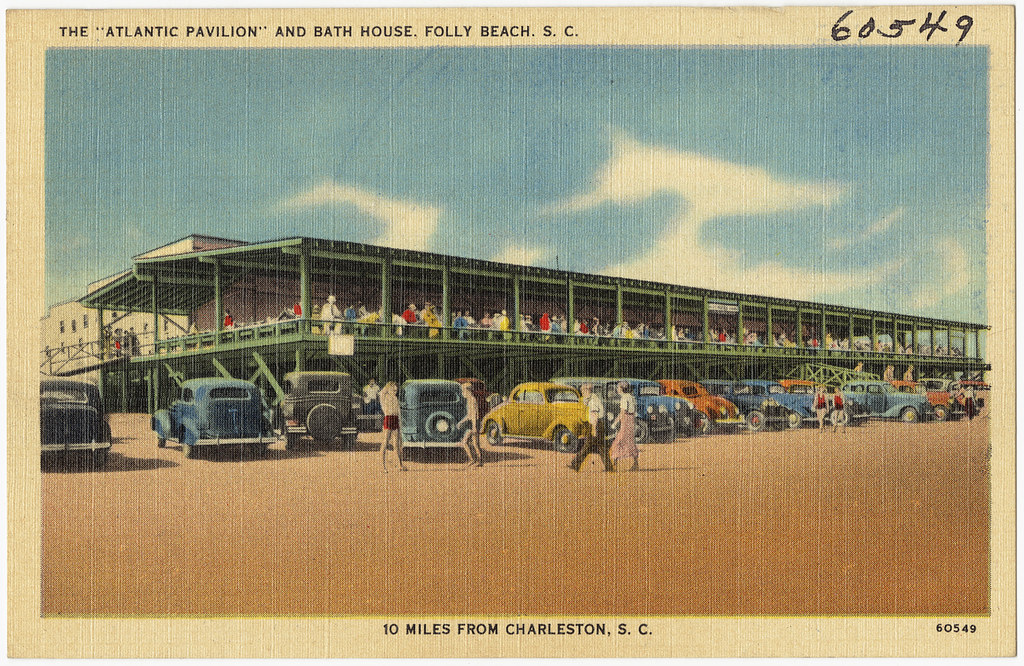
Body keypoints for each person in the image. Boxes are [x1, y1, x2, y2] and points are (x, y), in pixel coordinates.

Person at [568, 384, 613, 472]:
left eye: (582, 391)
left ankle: (575, 464)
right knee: (601, 447)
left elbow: (594, 415)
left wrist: (593, 429)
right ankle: (609, 467)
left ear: (586, 390)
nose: (582, 393)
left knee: (587, 446)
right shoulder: (593, 398)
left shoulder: (593, 401)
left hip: (595, 425)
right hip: (598, 425)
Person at [609, 381, 640, 471]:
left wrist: (615, 422)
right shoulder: (631, 396)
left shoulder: (624, 398)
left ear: (622, 389)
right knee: (630, 441)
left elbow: (623, 412)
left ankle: (614, 464)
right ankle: (635, 464)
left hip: (626, 420)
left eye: (618, 387)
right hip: (631, 419)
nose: (617, 389)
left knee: (618, 441)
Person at [379, 382, 407, 472]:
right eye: (393, 390)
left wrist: (400, 424)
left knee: (397, 444)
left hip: (395, 419)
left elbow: (398, 411)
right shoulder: (385, 396)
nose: (395, 392)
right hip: (388, 418)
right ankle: (383, 466)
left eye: (396, 390)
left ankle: (400, 465)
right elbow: (381, 392)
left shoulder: (395, 398)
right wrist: (388, 386)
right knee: (385, 442)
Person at [456, 383, 484, 467]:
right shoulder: (469, 400)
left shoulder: (472, 400)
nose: (462, 393)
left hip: (474, 423)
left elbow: (475, 415)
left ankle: (477, 460)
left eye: (463, 391)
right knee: (471, 443)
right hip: (473, 423)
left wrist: (474, 427)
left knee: (471, 443)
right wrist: (461, 422)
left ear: (467, 391)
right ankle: (475, 460)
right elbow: (469, 415)